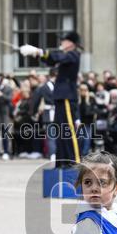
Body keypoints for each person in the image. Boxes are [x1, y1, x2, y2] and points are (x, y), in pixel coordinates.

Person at [20, 32, 83, 167]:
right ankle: (62, 162)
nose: (61, 43)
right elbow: (51, 60)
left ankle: (74, 161)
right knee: (60, 131)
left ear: (71, 43)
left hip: (67, 97)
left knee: (68, 130)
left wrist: (39, 51)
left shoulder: (73, 54)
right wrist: (37, 54)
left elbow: (57, 57)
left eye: (64, 40)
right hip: (60, 97)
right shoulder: (66, 55)